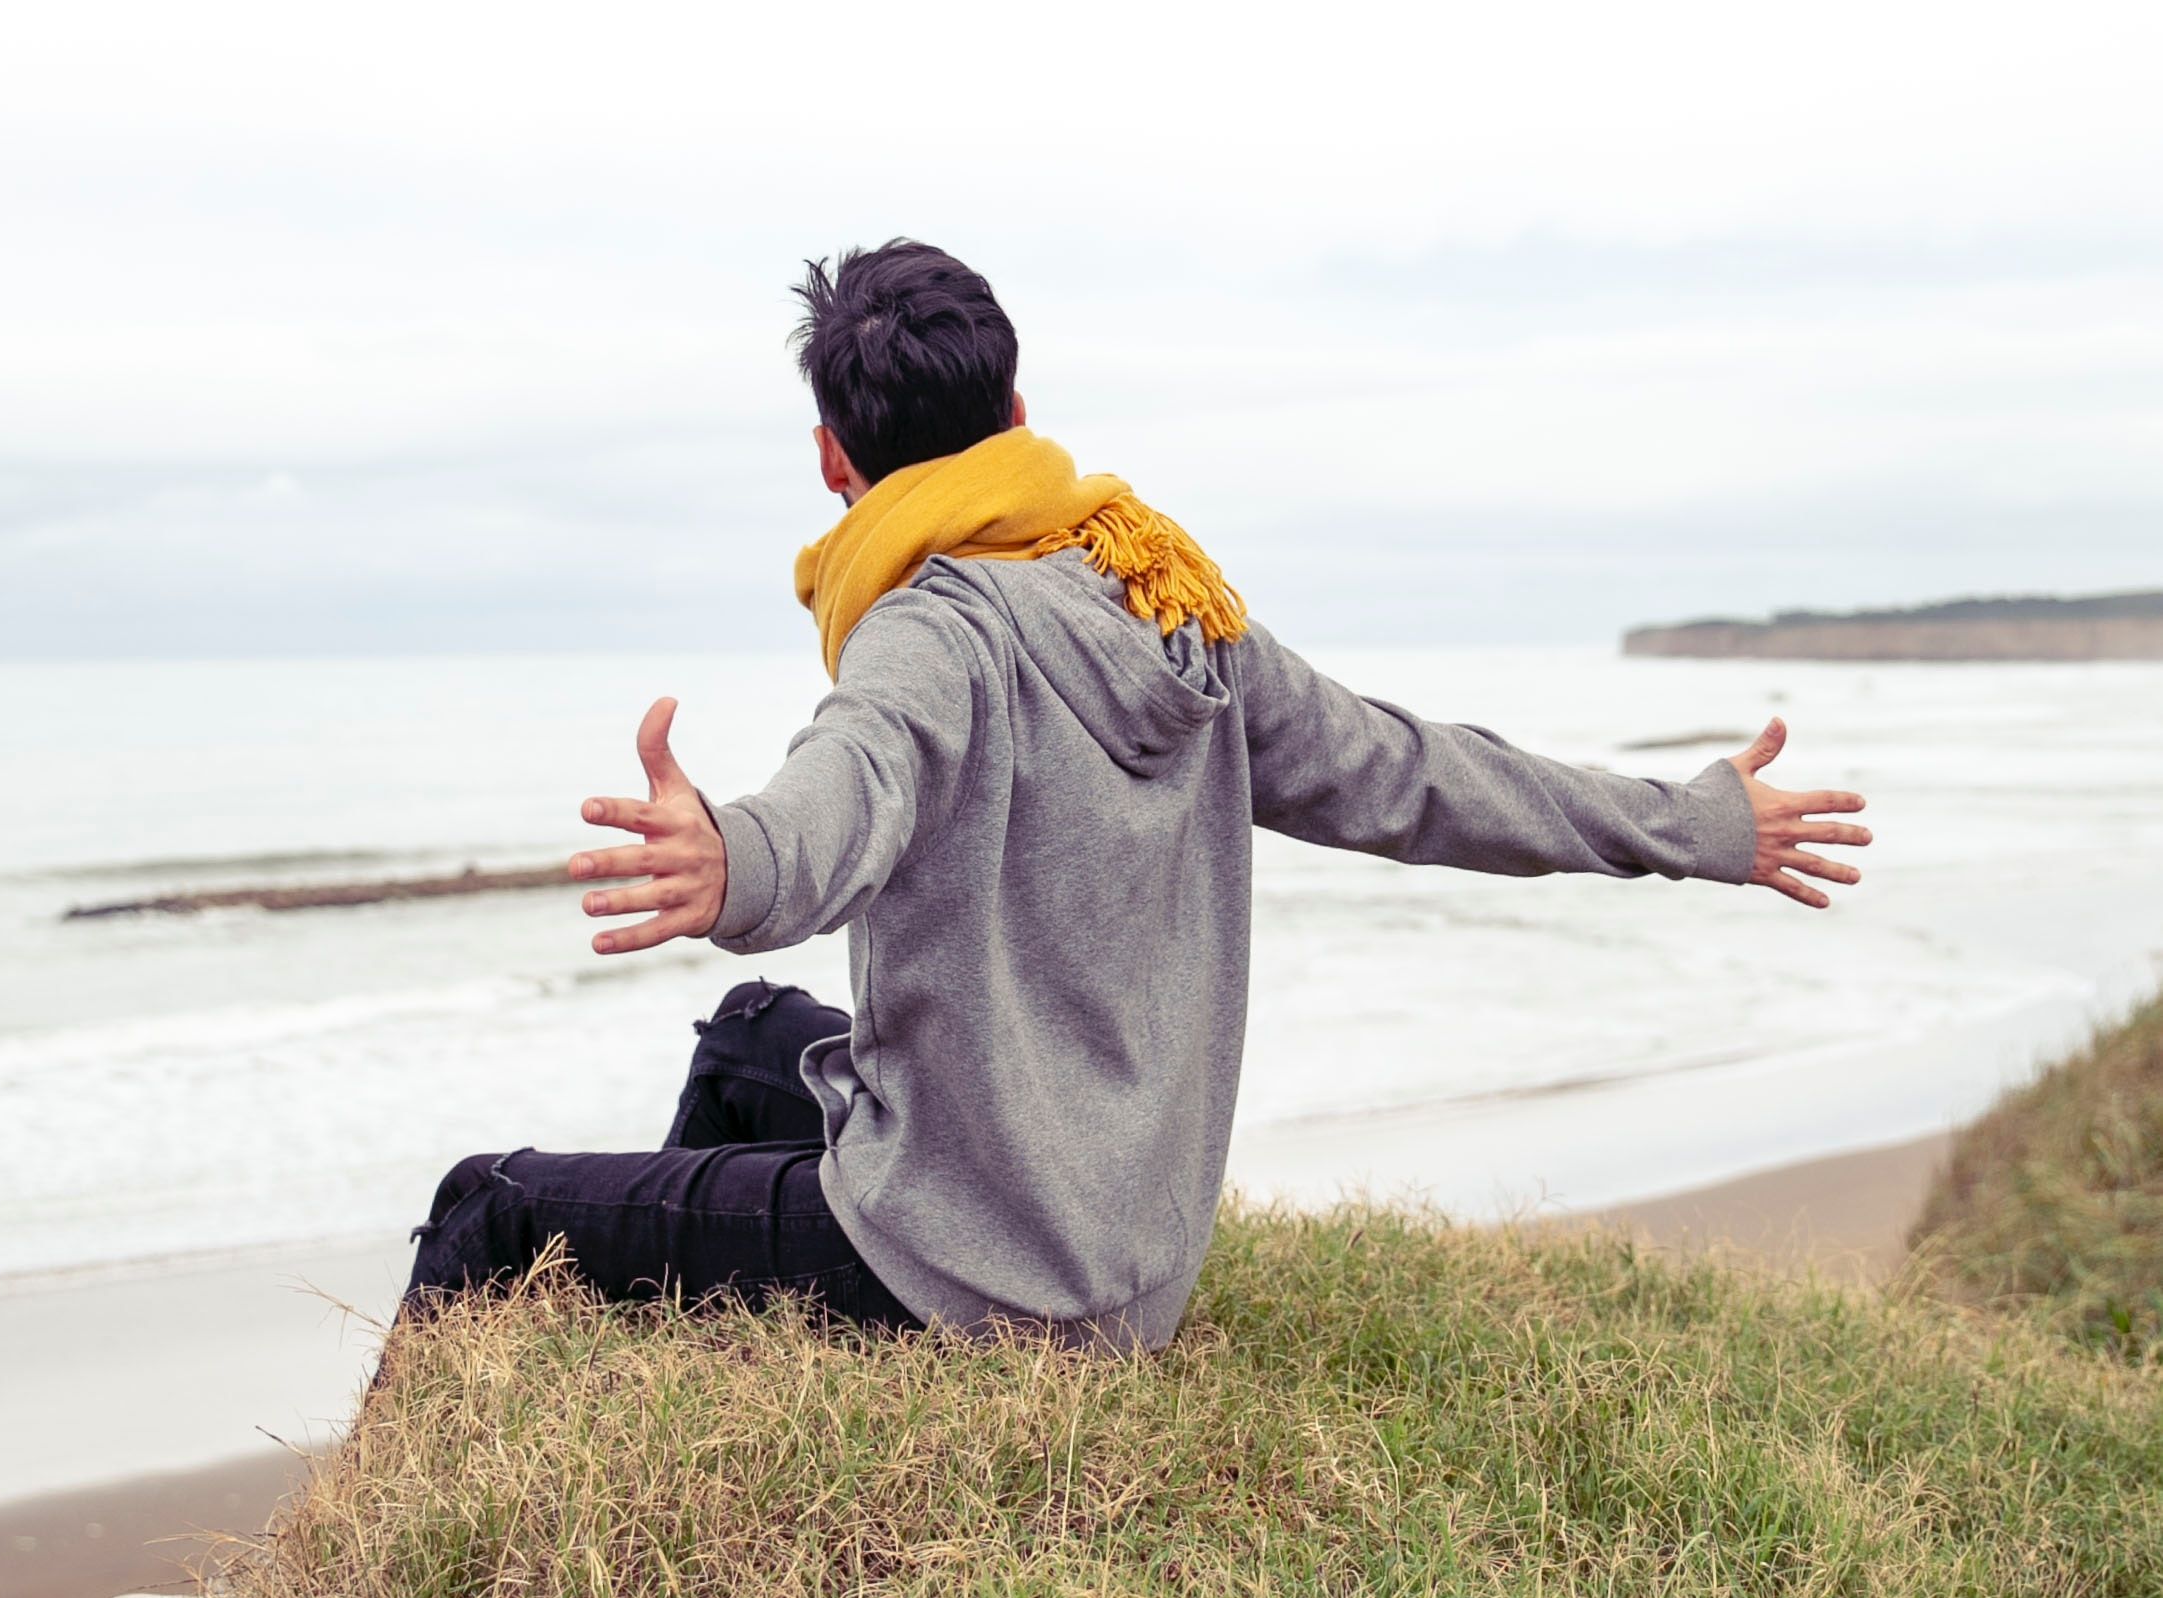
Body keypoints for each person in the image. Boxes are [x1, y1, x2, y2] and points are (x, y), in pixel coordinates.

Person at [399, 239, 1869, 1353]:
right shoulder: (1167, 596)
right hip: (1133, 1254)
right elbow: (1414, 773)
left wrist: (743, 860)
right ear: (1020, 410)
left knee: (491, 1207)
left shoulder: (931, 625)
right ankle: (702, 1383)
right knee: (746, 1041)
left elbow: (849, 783)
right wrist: (1696, 823)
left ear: (833, 458)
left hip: (977, 1274)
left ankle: (394, 1546)